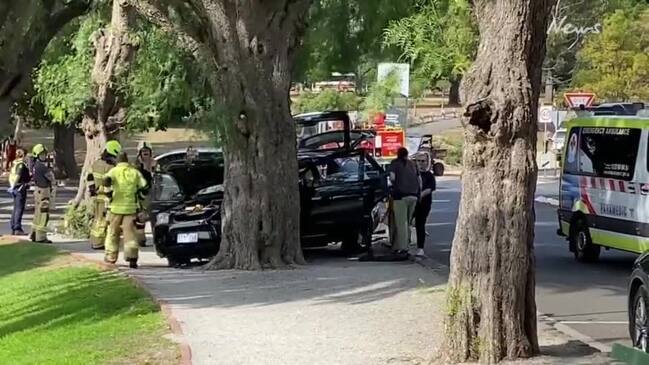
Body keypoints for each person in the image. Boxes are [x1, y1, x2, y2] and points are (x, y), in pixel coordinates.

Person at [103, 152, 148, 268]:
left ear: (117, 161)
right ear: (127, 160)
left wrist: (109, 195)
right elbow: (144, 186)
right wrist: (140, 197)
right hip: (131, 208)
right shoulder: (134, 172)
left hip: (115, 209)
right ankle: (132, 258)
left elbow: (106, 181)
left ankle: (110, 257)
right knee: (130, 234)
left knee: (113, 233)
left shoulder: (113, 171)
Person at [86, 140, 122, 249]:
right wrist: (111, 197)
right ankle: (98, 243)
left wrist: (92, 193)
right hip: (106, 198)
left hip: (96, 197)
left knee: (97, 219)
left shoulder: (96, 163)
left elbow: (89, 178)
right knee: (103, 221)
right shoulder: (111, 168)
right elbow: (110, 184)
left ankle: (95, 241)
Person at [388, 147, 420, 256]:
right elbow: (419, 180)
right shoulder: (413, 164)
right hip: (414, 195)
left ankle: (403, 248)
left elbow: (392, 178)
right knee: (408, 221)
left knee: (401, 223)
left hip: (400, 196)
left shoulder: (395, 163)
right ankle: (401, 244)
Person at [30, 144, 55, 243]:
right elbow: (51, 178)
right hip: (43, 190)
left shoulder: (35, 165)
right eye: (42, 154)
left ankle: (34, 234)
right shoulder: (42, 167)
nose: (44, 156)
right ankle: (41, 237)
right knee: (44, 214)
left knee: (37, 213)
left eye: (44, 154)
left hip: (38, 190)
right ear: (37, 155)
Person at [413, 153, 436, 258]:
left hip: (424, 203)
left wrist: (420, 195)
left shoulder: (429, 175)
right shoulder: (412, 174)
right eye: (419, 161)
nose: (421, 163)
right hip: (411, 202)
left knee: (420, 224)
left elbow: (430, 188)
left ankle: (420, 248)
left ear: (427, 162)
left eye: (423, 161)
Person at [134, 142, 155, 247]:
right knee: (141, 218)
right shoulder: (136, 167)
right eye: (143, 152)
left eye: (147, 152)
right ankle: (141, 240)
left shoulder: (155, 164)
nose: (145, 153)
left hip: (154, 195)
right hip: (141, 196)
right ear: (139, 153)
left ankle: (157, 239)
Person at [8, 148, 30, 235]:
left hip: (15, 188)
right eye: (27, 155)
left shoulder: (15, 164)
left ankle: (13, 226)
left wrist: (11, 186)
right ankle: (17, 228)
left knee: (15, 208)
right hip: (20, 188)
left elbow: (11, 176)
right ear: (23, 155)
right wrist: (13, 186)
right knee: (19, 208)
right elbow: (18, 175)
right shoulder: (21, 165)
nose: (27, 157)